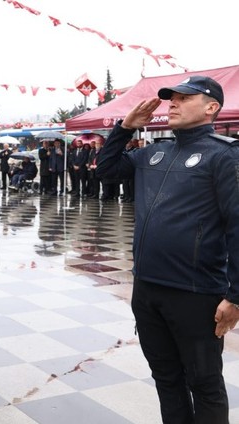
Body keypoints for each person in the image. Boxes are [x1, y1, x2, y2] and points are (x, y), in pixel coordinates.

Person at [96, 75, 239, 424]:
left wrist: (236, 295)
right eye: (172, 98)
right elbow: (106, 171)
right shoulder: (155, 152)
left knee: (204, 383)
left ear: (211, 107)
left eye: (184, 98)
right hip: (147, 288)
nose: (173, 103)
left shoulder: (225, 155)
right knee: (166, 378)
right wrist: (124, 128)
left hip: (195, 292)